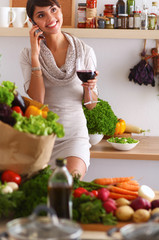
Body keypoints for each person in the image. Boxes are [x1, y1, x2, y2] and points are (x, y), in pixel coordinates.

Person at [20, 0, 98, 179]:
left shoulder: (85, 51)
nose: (50, 18)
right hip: (41, 139)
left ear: (60, 10)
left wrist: (89, 88)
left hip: (73, 138)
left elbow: (91, 105)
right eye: (41, 15)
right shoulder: (27, 55)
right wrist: (35, 55)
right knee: (38, 195)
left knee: (66, 185)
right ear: (33, 23)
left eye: (53, 10)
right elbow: (38, 99)